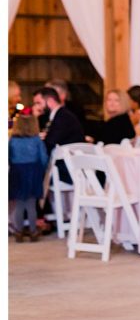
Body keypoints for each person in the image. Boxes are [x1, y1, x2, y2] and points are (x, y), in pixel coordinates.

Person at [8, 114, 50, 242]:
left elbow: (8, 156)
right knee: (31, 205)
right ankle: (33, 231)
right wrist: (42, 170)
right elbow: (44, 158)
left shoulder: (13, 140)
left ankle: (18, 231)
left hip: (17, 172)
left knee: (19, 204)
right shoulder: (37, 140)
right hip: (33, 173)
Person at [37, 86, 85, 183]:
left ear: (50, 101)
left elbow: (51, 142)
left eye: (39, 103)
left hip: (69, 168)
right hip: (65, 163)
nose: (38, 107)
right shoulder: (60, 115)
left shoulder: (63, 117)